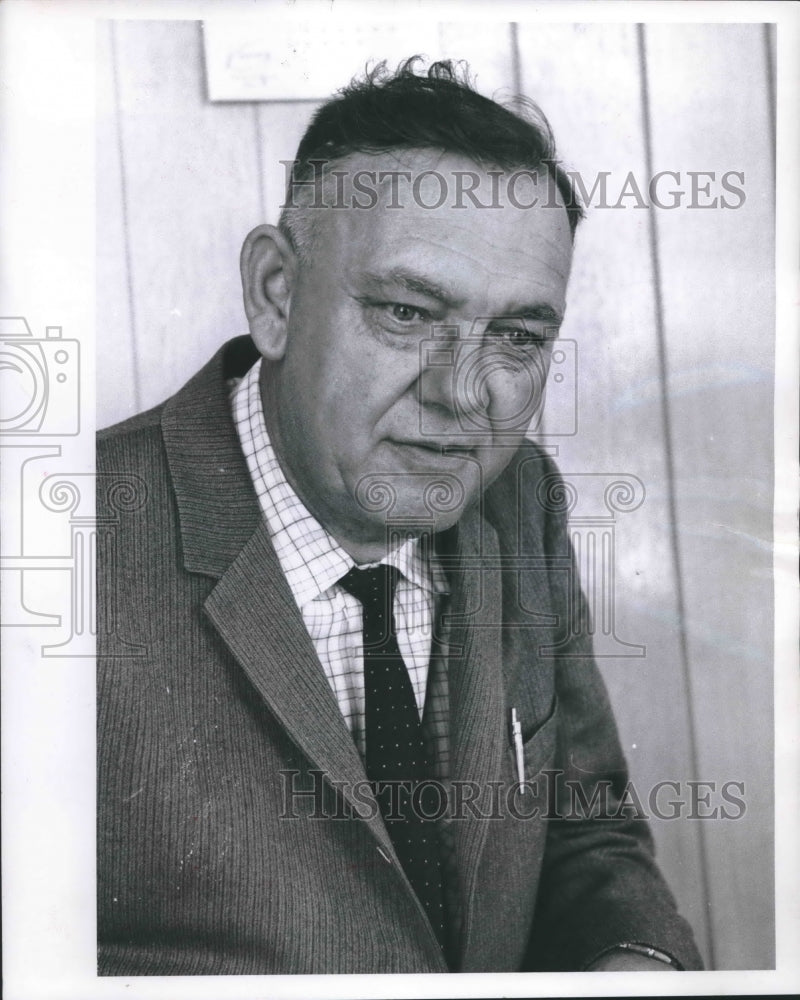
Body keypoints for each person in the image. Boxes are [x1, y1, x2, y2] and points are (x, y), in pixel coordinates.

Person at [97, 59, 702, 975]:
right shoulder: (59, 537)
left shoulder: (517, 497)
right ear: (275, 294)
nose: (466, 395)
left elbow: (583, 829)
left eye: (518, 338)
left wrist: (634, 959)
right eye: (409, 312)